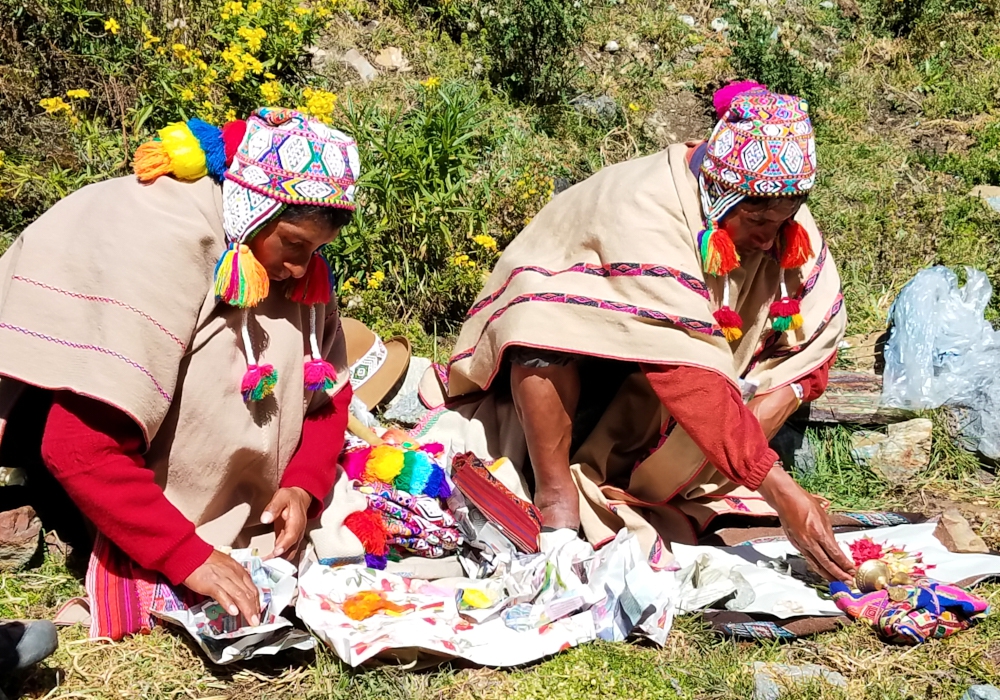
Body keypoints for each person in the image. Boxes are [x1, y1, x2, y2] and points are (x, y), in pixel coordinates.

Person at [420, 82, 856, 583]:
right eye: (755, 220)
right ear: (720, 193)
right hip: (582, 352)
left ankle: (653, 474)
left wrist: (791, 390)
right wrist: (776, 486)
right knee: (541, 326)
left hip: (670, 368)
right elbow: (685, 372)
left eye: (782, 221)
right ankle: (556, 494)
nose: (767, 238)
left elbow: (818, 327)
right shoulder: (645, 209)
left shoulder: (777, 220)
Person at [0, 107, 358, 638]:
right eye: (295, 245)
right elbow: (78, 446)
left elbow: (329, 389)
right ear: (253, 208)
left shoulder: (284, 265)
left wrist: (304, 486)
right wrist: (186, 554)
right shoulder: (159, 248)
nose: (304, 269)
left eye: (317, 250)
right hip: (69, 435)